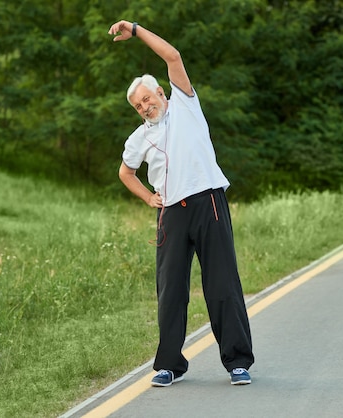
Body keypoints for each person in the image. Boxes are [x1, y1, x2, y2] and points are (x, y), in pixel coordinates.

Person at [108, 20, 255, 386]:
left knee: (222, 284)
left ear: (161, 92)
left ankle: (237, 361)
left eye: (148, 98)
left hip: (209, 203)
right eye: (138, 105)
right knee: (170, 290)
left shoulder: (186, 105)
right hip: (171, 214)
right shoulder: (138, 138)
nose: (144, 107)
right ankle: (169, 365)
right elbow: (126, 173)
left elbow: (172, 54)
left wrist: (137, 31)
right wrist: (148, 198)